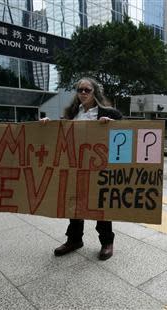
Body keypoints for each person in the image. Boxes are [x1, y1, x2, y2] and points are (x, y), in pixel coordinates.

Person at [45, 77, 123, 260]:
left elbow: (125, 135)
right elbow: (61, 133)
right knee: (74, 204)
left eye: (87, 90)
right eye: (80, 90)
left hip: (100, 167)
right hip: (76, 167)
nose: (83, 93)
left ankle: (106, 242)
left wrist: (112, 125)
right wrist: (47, 126)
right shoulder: (72, 113)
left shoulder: (110, 113)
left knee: (100, 204)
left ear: (94, 91)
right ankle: (74, 240)